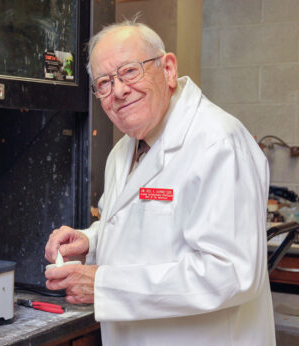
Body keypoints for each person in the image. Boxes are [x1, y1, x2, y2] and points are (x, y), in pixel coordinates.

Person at [44, 19, 275, 345]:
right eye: (104, 83)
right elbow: (147, 229)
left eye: (129, 71)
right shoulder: (123, 150)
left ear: (167, 69)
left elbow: (230, 273)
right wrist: (90, 243)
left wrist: (104, 285)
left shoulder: (218, 142)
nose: (120, 91)